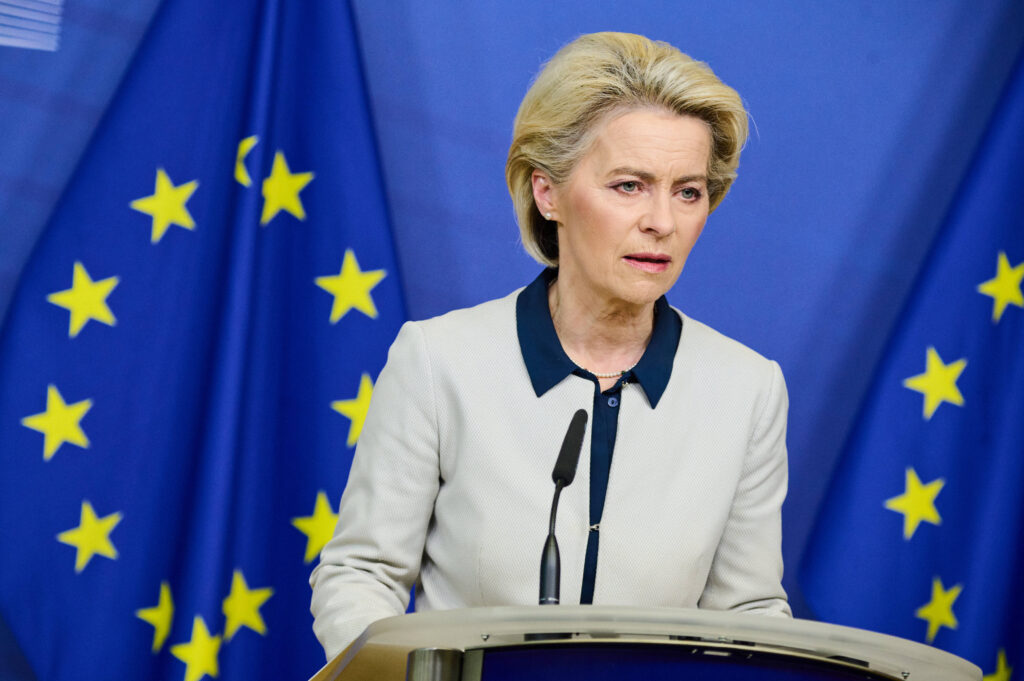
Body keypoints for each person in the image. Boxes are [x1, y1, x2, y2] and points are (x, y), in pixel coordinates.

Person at [310, 31, 791, 660]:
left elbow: (749, 613)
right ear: (548, 192)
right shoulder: (439, 361)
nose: (662, 222)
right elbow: (360, 576)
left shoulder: (747, 390)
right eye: (628, 185)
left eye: (688, 191)